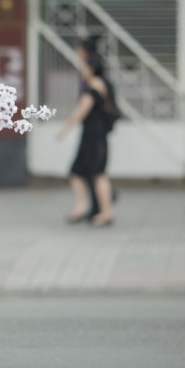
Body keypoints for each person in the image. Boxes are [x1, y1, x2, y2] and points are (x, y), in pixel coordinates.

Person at [56, 39, 118, 227]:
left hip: (93, 137)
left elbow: (82, 110)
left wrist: (65, 129)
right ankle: (85, 208)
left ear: (91, 69)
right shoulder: (104, 83)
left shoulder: (93, 86)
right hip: (95, 136)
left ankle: (105, 212)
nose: (82, 70)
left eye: (84, 67)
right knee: (80, 172)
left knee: (97, 174)